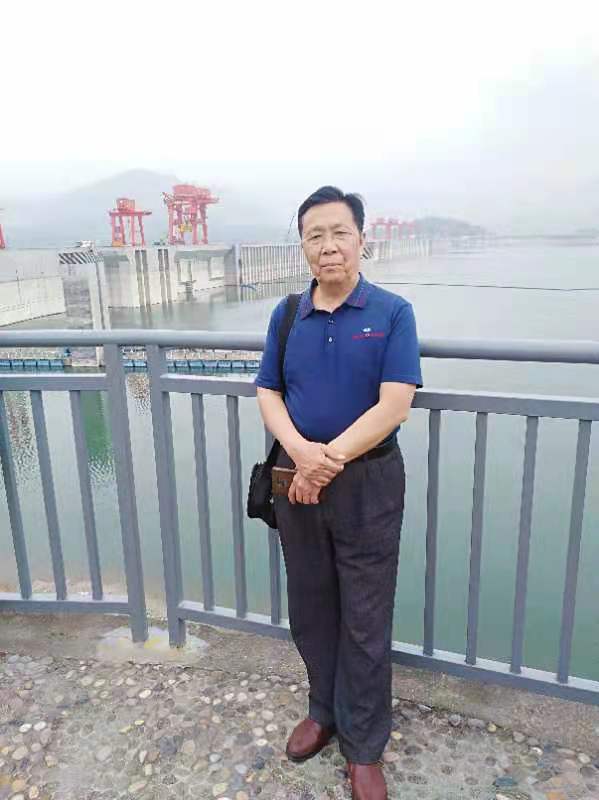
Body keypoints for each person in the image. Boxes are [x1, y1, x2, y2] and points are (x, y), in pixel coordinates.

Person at [255, 186, 423, 800]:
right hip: (296, 482)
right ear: (303, 246)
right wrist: (301, 453)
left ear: (361, 240)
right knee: (312, 606)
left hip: (367, 485)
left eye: (339, 233)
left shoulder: (392, 312)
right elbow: (268, 391)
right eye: (315, 235)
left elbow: (394, 404)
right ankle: (322, 712)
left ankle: (364, 746)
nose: (328, 246)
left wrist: (324, 461)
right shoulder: (288, 314)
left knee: (365, 618)